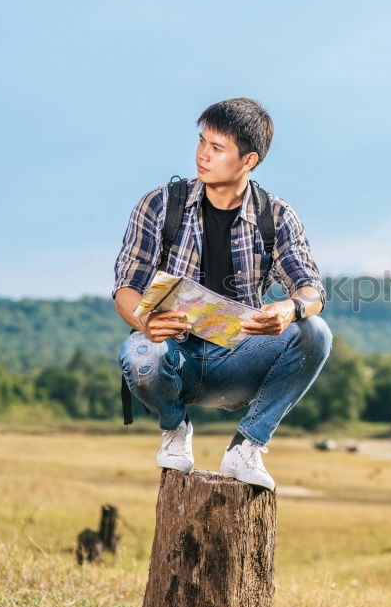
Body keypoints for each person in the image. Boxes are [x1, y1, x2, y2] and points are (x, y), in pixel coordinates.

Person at [112, 97, 332, 491]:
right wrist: (143, 320)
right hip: (173, 355)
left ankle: (247, 446)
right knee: (138, 350)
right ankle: (174, 428)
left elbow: (312, 288)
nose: (203, 155)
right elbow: (126, 287)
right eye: (202, 142)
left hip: (238, 357)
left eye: (217, 148)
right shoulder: (161, 205)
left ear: (248, 161)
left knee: (316, 331)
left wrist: (290, 307)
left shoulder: (277, 215)